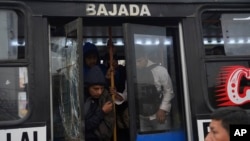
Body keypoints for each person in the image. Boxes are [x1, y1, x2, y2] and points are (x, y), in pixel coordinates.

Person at [84, 65, 114, 141]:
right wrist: (102, 112)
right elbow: (85, 126)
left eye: (102, 88)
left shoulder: (105, 97)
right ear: (88, 87)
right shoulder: (84, 101)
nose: (99, 92)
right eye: (96, 89)